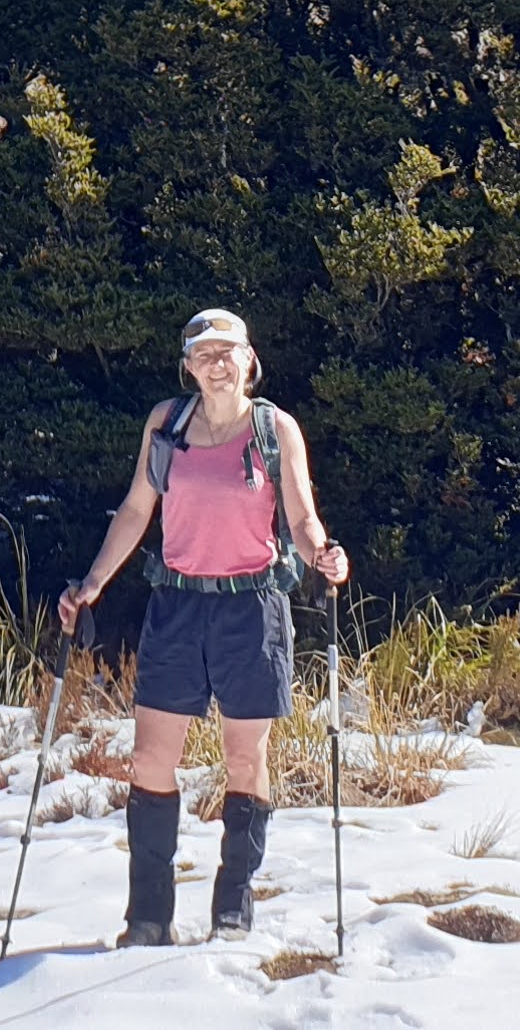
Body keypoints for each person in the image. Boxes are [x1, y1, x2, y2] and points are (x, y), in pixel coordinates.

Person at [55, 307, 349, 946]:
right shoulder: (167, 424)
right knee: (150, 759)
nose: (217, 364)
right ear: (187, 367)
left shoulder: (275, 429)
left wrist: (323, 552)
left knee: (245, 760)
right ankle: (148, 918)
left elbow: (301, 516)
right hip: (178, 608)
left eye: (228, 352)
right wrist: (94, 583)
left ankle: (233, 906)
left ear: (250, 360)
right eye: (203, 354)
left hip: (252, 610)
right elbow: (138, 507)